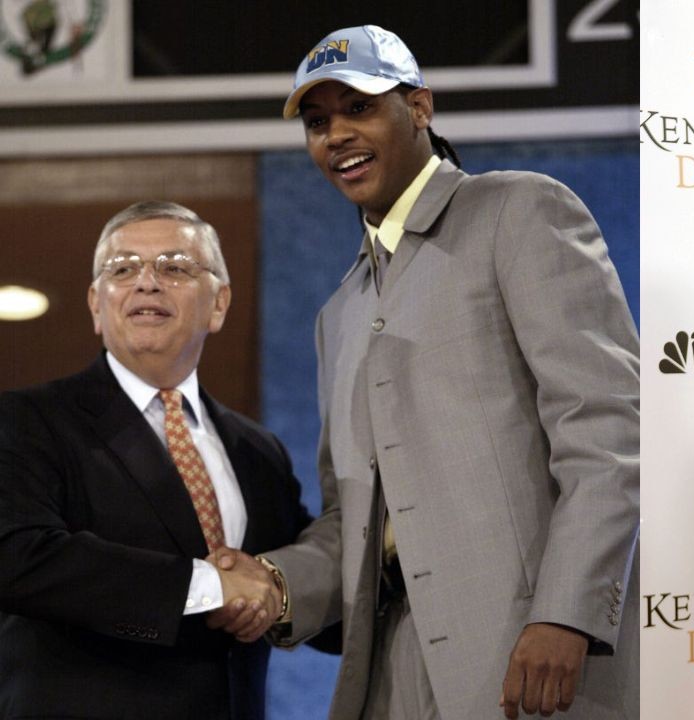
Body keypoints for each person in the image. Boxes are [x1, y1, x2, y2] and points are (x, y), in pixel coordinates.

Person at [213, 25, 640, 720]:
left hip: (532, 659)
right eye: (318, 123)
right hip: (390, 667)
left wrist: (567, 614)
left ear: (419, 108)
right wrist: (274, 580)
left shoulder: (519, 210)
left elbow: (608, 432)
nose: (336, 136)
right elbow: (354, 519)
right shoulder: (338, 313)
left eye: (358, 108)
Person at [0, 201, 316, 719]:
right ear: (96, 306)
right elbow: (16, 556)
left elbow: (292, 583)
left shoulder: (258, 450)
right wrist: (208, 586)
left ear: (219, 304)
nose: (146, 282)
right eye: (122, 269)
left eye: (174, 266)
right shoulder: (27, 420)